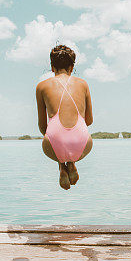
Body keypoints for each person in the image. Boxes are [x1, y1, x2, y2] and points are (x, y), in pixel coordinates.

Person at [36, 45, 94, 190]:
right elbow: (89, 121)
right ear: (72, 66)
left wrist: (58, 139)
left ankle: (62, 166)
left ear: (51, 66)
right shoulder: (83, 84)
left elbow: (43, 127)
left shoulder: (41, 86)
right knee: (75, 139)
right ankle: (72, 163)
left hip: (53, 146)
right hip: (82, 144)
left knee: (53, 135)